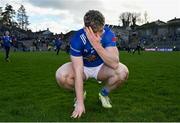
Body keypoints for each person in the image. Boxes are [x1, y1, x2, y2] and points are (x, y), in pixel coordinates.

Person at [55, 10, 129, 118]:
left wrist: (97, 45)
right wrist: (80, 102)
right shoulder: (77, 39)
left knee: (123, 72)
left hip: (101, 67)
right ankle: (80, 93)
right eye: (96, 32)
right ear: (87, 29)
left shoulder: (108, 33)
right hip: (83, 68)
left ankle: (103, 94)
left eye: (101, 30)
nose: (100, 34)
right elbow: (78, 71)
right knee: (61, 76)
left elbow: (114, 64)